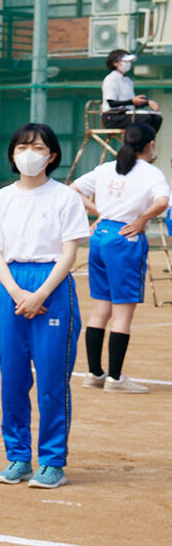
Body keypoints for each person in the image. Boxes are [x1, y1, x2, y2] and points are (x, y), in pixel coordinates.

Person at [0, 124, 91, 490]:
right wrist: (15, 292)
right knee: (12, 378)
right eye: (23, 147)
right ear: (12, 154)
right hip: (10, 285)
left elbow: (70, 252)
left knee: (51, 380)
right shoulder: (2, 198)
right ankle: (18, 457)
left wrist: (40, 294)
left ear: (52, 155)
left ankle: (53, 461)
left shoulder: (65, 198)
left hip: (52, 286)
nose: (30, 153)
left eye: (38, 147)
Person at [72, 121, 171, 394]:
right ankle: (115, 378)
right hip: (126, 237)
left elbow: (73, 189)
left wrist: (98, 212)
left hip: (101, 235)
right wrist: (141, 219)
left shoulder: (105, 169)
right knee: (123, 313)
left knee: (100, 309)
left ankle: (94, 373)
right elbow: (163, 202)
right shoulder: (151, 173)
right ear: (150, 145)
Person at [101, 49, 161, 133]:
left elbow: (131, 103)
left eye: (129, 62)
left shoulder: (128, 80)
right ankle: (137, 143)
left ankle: (148, 142)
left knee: (156, 118)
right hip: (112, 117)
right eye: (125, 62)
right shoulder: (111, 79)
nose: (128, 64)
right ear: (115, 63)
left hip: (126, 114)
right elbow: (111, 103)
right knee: (145, 118)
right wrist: (132, 101)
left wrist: (147, 103)